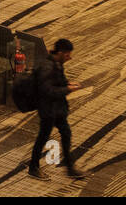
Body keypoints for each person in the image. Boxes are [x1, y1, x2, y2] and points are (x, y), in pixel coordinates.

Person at [29, 38, 85, 180]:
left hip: (57, 109)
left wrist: (68, 83)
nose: (69, 58)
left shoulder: (57, 63)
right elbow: (47, 90)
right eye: (67, 55)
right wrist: (67, 89)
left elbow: (58, 81)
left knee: (66, 133)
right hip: (48, 110)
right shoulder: (47, 67)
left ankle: (69, 166)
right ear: (60, 53)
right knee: (43, 138)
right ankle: (33, 167)